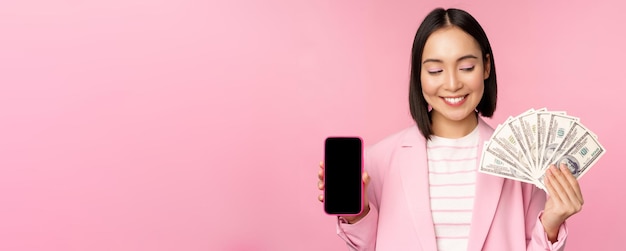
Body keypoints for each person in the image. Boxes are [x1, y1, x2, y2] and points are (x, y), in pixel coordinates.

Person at [316, 7, 583, 251]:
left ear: (486, 67)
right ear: (418, 75)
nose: (453, 83)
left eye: (466, 67)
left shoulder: (520, 163)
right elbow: (370, 246)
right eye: (435, 71)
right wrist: (357, 214)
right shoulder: (379, 160)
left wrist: (550, 224)